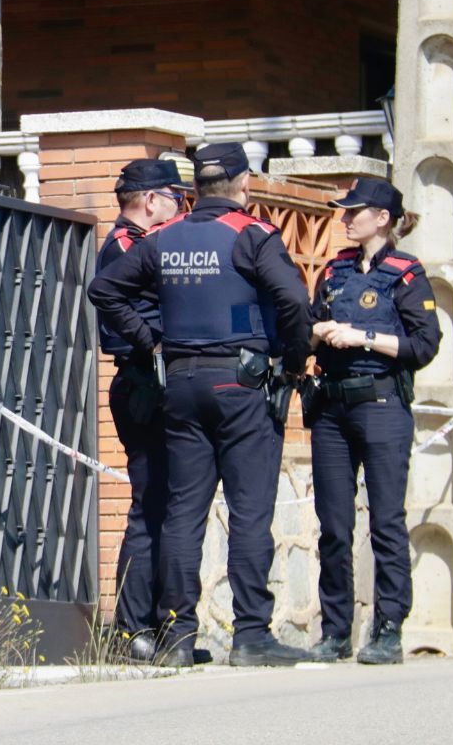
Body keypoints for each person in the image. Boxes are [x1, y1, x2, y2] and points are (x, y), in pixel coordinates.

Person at [89, 142, 313, 666]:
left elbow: (105, 291)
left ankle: (177, 638)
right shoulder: (251, 233)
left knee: (182, 514)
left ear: (197, 187)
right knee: (249, 509)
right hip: (240, 385)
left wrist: (152, 342)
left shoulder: (163, 238)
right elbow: (294, 301)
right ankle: (252, 635)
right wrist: (294, 359)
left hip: (181, 386)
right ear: (243, 184)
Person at [304, 177, 439, 666]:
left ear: (382, 218)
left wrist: (362, 337)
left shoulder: (406, 272)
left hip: (381, 404)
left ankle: (387, 630)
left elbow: (423, 347)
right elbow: (307, 329)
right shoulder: (336, 269)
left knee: (385, 521)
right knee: (334, 526)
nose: (345, 217)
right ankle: (335, 631)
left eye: (354, 211)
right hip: (332, 407)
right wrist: (318, 332)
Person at [88, 158, 188, 663]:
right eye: (176, 196)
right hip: (144, 382)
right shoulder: (130, 246)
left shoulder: (137, 244)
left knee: (165, 507)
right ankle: (133, 629)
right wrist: (155, 343)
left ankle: (154, 624)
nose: (182, 206)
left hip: (150, 381)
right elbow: (120, 316)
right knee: (151, 508)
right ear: (151, 200)